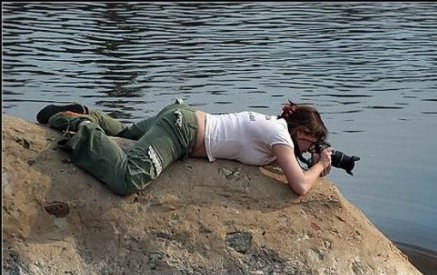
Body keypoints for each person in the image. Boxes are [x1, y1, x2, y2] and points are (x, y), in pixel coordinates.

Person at [36, 98, 332, 196]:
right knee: (129, 178)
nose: (309, 149)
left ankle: (88, 112)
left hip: (182, 118)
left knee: (127, 135)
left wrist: (314, 162)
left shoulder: (276, 132)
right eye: (311, 141)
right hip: (182, 132)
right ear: (300, 130)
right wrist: (319, 165)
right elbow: (300, 186)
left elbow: (294, 170)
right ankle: (80, 127)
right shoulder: (279, 135)